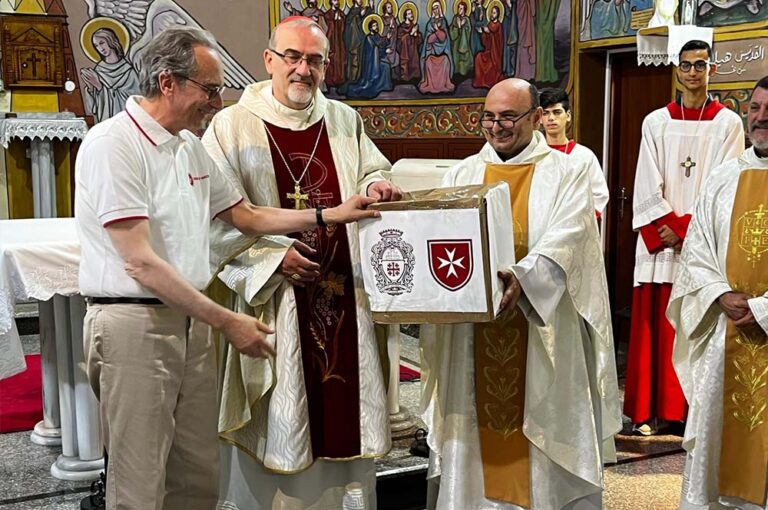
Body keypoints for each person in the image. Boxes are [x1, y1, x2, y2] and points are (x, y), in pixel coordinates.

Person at [75, 27, 379, 510]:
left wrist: (331, 214)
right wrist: (228, 319)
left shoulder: (188, 146)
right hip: (135, 325)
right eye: (210, 89)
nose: (218, 102)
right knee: (139, 484)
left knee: (197, 479)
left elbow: (245, 216)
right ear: (167, 81)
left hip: (192, 327)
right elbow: (139, 261)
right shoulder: (113, 144)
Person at [201, 17, 402, 510]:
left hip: (344, 296)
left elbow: (373, 166)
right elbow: (209, 218)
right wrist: (271, 260)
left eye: (314, 60)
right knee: (281, 414)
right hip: (276, 300)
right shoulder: (230, 126)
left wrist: (378, 183)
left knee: (343, 416)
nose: (302, 69)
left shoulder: (342, 119)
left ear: (325, 66)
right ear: (269, 59)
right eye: (292, 56)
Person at [421, 78, 621, 510]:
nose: (497, 126)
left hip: (540, 330)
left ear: (534, 118)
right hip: (472, 336)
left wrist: (523, 278)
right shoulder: (461, 175)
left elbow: (570, 237)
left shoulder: (567, 174)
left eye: (508, 116)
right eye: (489, 117)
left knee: (541, 434)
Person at [625, 40, 745, 436]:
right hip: (661, 244)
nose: (693, 72)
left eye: (700, 65)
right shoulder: (655, 121)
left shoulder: (728, 123)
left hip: (702, 242)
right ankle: (653, 409)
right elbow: (645, 178)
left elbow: (728, 183)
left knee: (696, 322)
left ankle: (692, 411)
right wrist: (667, 228)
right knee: (656, 324)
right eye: (686, 65)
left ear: (712, 69)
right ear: (676, 70)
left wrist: (685, 230)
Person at [668, 76, 768, 510]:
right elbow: (697, 251)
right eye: (756, 108)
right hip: (724, 332)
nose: (762, 118)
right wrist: (718, 293)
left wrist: (764, 308)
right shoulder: (725, 177)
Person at [539, 87, 609, 218]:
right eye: (546, 113)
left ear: (568, 116)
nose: (551, 118)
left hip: (574, 227)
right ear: (540, 118)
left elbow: (599, 193)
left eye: (557, 112)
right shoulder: (535, 155)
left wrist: (580, 222)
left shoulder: (584, 156)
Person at [80, 27, 140, 123]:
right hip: (106, 124)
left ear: (111, 41)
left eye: (102, 43)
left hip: (126, 125)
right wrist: (91, 89)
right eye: (96, 46)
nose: (100, 48)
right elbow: (93, 109)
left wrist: (100, 87)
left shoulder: (128, 71)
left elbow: (136, 102)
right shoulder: (98, 71)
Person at [418, 0, 455, 94]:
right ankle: (431, 85)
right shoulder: (430, 23)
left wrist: (436, 30)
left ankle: (443, 85)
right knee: (428, 62)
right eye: (433, 8)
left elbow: (443, 38)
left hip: (443, 53)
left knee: (445, 61)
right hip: (431, 53)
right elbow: (428, 40)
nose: (435, 10)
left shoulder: (443, 22)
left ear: (440, 9)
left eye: (437, 8)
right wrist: (437, 34)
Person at [472, 3, 504, 89]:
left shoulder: (498, 25)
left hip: (495, 54)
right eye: (491, 12)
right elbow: (486, 43)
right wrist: (482, 33)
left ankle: (489, 82)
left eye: (494, 13)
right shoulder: (489, 24)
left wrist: (489, 32)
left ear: (498, 14)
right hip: (489, 51)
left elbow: (497, 40)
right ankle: (480, 82)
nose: (492, 14)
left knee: (489, 63)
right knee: (478, 57)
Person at [396, 5, 423, 82]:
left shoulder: (414, 26)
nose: (412, 15)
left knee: (414, 68)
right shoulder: (401, 27)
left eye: (411, 13)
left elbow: (420, 41)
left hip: (413, 51)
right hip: (405, 52)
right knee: (405, 68)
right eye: (409, 13)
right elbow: (400, 41)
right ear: (406, 16)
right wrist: (410, 34)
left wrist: (416, 35)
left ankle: (414, 78)